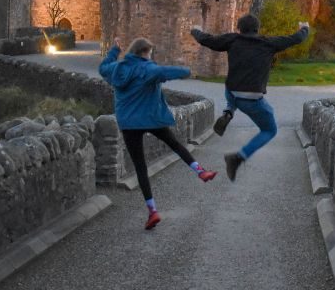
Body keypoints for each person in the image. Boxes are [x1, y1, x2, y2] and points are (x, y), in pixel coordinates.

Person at [99, 37, 217, 230]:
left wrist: (114, 51)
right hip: (151, 118)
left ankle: (152, 211)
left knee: (140, 167)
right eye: (150, 53)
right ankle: (200, 171)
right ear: (145, 53)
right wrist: (187, 71)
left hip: (128, 123)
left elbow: (102, 68)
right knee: (176, 145)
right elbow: (164, 71)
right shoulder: (146, 69)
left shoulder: (116, 69)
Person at [190, 15, 309, 181]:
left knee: (231, 89)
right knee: (270, 130)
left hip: (231, 91)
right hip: (251, 98)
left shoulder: (232, 39)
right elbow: (296, 38)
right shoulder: (268, 43)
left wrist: (195, 30)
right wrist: (304, 27)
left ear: (239, 28)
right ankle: (238, 158)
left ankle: (229, 111)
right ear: (257, 29)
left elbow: (207, 40)